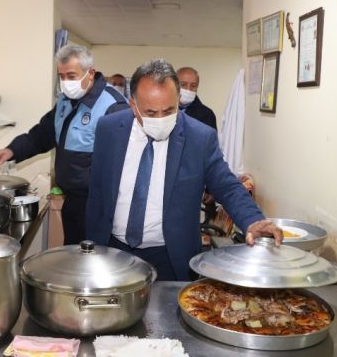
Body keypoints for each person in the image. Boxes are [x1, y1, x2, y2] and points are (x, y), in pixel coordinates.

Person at [86, 59, 281, 280]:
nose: (160, 119)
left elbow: (226, 186)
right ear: (133, 105)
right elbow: (98, 190)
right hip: (112, 250)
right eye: (150, 112)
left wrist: (253, 220)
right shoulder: (109, 129)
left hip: (170, 257)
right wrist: (93, 245)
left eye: (168, 110)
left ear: (178, 100)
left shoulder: (200, 138)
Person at [0, 44, 128, 244]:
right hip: (71, 199)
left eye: (71, 76)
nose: (65, 82)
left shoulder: (113, 106)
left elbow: (122, 164)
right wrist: (11, 150)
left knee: (94, 263)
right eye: (61, 76)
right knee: (73, 256)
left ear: (90, 74)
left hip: (99, 205)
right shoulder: (65, 101)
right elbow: (42, 135)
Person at [177, 66, 217, 130]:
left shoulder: (207, 115)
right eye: (183, 84)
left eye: (193, 86)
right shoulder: (162, 109)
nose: (188, 89)